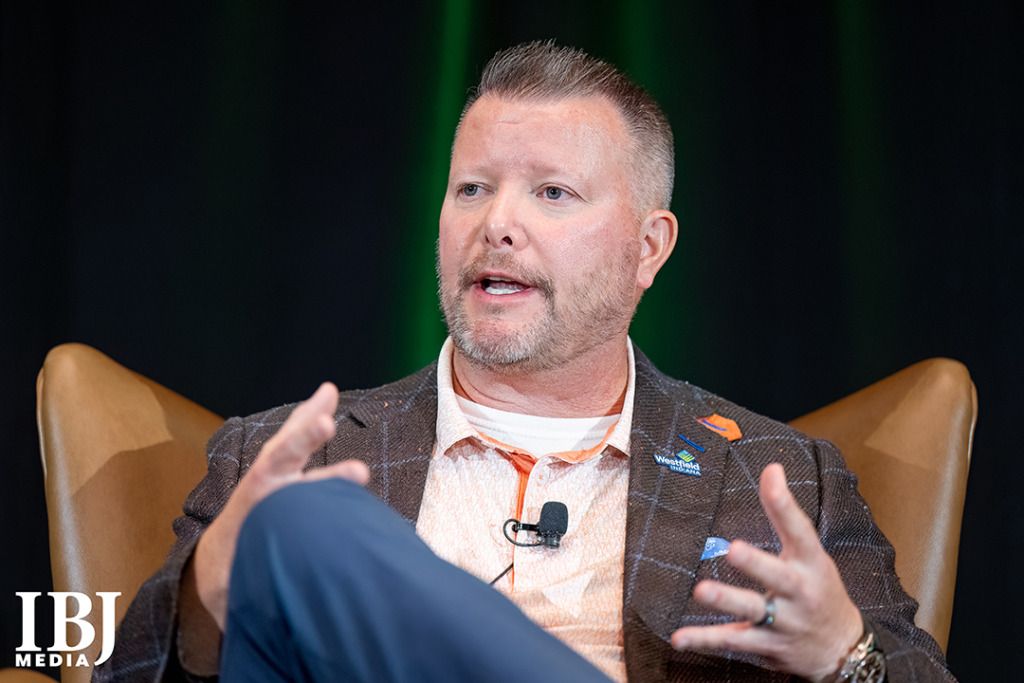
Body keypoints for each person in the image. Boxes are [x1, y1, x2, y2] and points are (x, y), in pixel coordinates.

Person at [94, 41, 955, 682]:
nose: (497, 224)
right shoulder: (283, 459)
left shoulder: (783, 477)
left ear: (649, 248)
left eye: (552, 192)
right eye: (472, 188)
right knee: (305, 524)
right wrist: (207, 594)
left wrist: (846, 655)